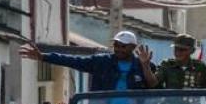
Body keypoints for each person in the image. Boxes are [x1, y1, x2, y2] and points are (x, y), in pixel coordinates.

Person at [19, 31, 157, 91]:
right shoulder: (101, 62)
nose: (118, 49)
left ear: (133, 47)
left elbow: (153, 85)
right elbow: (72, 60)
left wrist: (145, 66)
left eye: (123, 46)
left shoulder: (144, 65)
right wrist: (43, 56)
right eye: (116, 45)